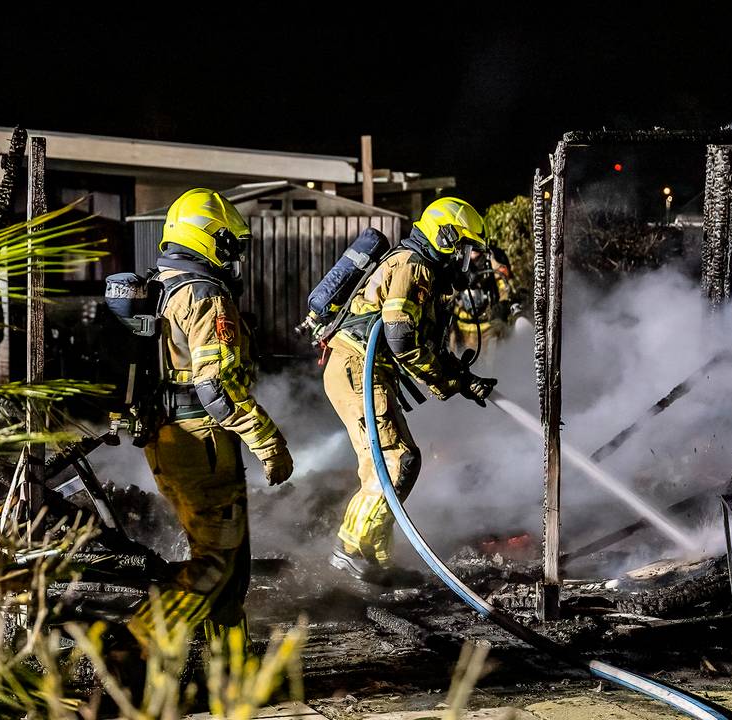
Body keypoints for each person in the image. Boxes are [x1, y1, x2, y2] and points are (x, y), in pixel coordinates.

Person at [127, 188, 294, 649]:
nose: (234, 255)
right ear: (208, 238)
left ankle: (231, 670)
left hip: (174, 439)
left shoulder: (164, 285)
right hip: (201, 444)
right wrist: (269, 442)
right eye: (229, 243)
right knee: (216, 568)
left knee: (228, 570)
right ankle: (132, 645)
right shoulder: (204, 295)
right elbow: (216, 388)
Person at [323, 197, 497, 584]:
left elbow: (425, 344)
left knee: (393, 463)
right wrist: (448, 381)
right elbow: (402, 340)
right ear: (445, 239)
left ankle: (376, 558)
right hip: (357, 368)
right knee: (395, 462)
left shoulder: (423, 274)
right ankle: (349, 551)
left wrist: (463, 380)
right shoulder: (412, 266)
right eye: (464, 251)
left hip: (366, 371)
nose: (465, 262)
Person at [448, 245, 522, 367]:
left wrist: (502, 307)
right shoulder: (454, 259)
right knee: (464, 366)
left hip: (489, 328)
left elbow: (505, 287)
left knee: (493, 367)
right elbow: (446, 294)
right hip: (462, 328)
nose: (473, 250)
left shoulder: (494, 259)